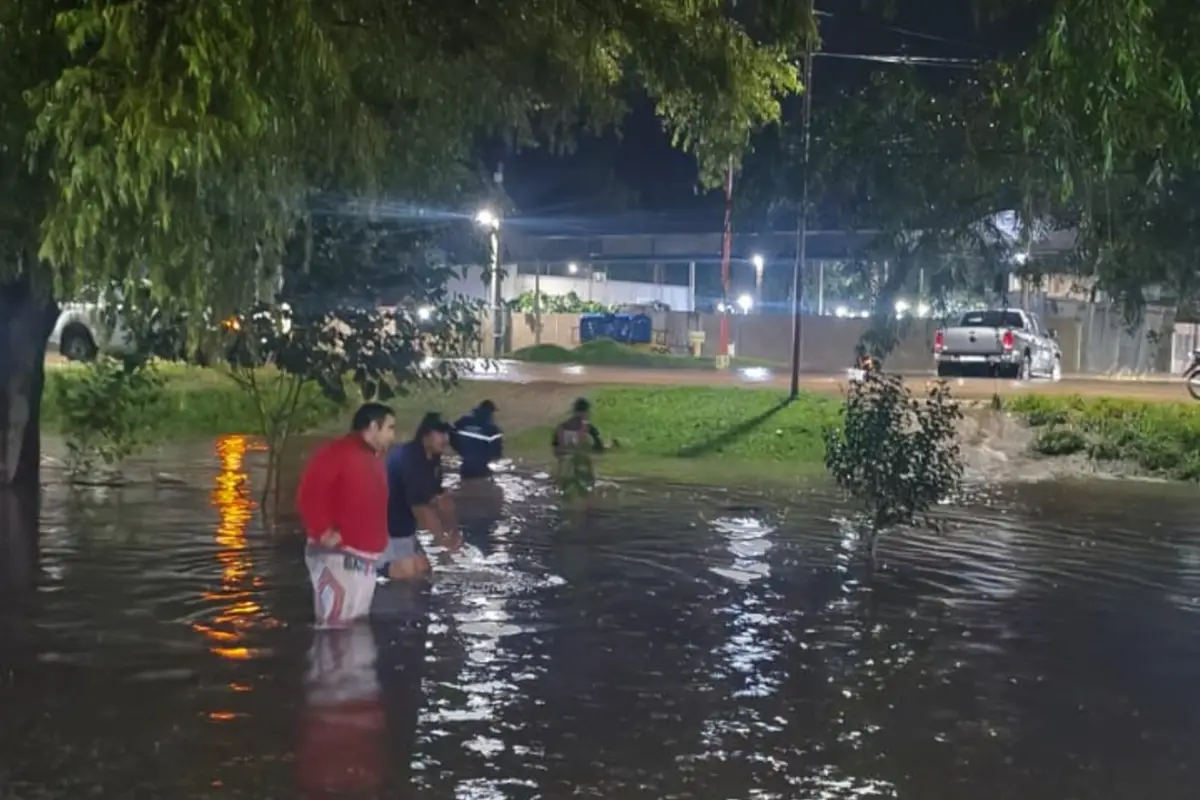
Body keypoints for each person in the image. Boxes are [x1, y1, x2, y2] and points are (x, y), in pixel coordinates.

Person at [295, 403, 395, 628]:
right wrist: (323, 531)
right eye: (389, 428)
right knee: (335, 628)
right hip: (337, 557)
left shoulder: (370, 458)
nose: (393, 435)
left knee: (350, 628)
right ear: (373, 426)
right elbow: (308, 495)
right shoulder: (337, 453)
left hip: (362, 560)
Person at [378, 412, 460, 582]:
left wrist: (453, 532)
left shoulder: (432, 459)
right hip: (383, 529)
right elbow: (422, 512)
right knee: (410, 574)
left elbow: (439, 500)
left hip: (402, 527)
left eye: (447, 434)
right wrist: (442, 542)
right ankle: (376, 571)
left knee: (423, 570)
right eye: (440, 433)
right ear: (426, 436)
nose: (445, 439)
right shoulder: (410, 461)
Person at [451, 399, 504, 479]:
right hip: (481, 469)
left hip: (465, 468)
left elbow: (452, 435)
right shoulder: (492, 429)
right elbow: (496, 453)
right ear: (490, 413)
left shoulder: (463, 421)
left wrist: (461, 451)